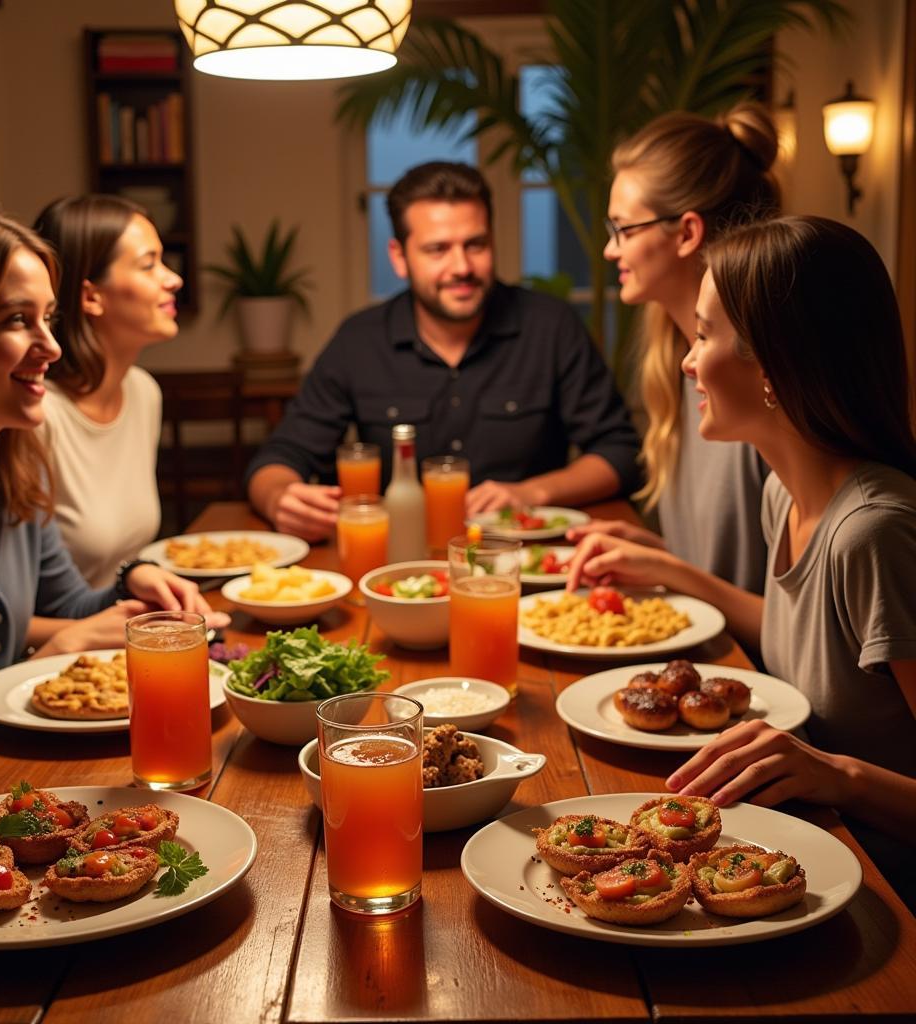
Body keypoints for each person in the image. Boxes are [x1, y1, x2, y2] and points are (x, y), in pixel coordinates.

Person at [566, 216, 916, 904]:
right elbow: (812, 640)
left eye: (702, 335)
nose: (687, 361)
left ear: (774, 366)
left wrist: (839, 777)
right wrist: (671, 570)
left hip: (883, 895)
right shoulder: (784, 495)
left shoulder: (875, 534)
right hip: (791, 845)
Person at [0, 206, 213, 811]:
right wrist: (35, 669)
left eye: (49, 319)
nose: (52, 347)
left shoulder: (12, 467)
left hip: (3, 791)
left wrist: (132, 578)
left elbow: (67, 604)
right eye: (19, 321)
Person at [246, 161, 640, 541]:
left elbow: (620, 453)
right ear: (399, 258)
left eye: (476, 244)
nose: (461, 266)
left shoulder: (551, 326)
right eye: (437, 249)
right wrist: (280, 498)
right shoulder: (359, 340)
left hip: (527, 566)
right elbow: (279, 458)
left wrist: (532, 493)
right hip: (393, 567)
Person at [567, 104, 779, 594]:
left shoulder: (758, 385)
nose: (609, 250)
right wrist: (652, 552)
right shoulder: (681, 368)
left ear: (686, 233)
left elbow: (797, 624)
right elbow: (719, 570)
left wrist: (669, 570)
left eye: (623, 228)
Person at [32, 194, 182, 587]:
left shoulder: (143, 393)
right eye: (149, 265)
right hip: (66, 644)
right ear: (90, 296)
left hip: (125, 629)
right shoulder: (38, 415)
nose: (173, 279)